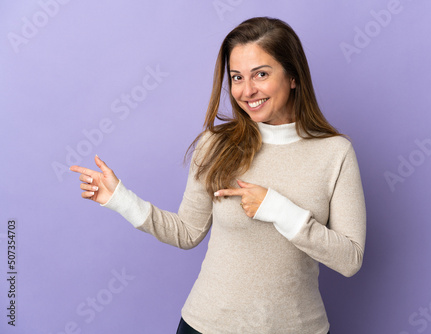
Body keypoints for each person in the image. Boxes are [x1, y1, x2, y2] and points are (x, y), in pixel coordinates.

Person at [70, 17, 366, 334]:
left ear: (293, 76)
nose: (247, 90)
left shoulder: (335, 153)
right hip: (206, 325)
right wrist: (120, 199)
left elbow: (349, 259)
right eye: (237, 77)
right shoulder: (216, 145)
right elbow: (187, 232)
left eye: (261, 74)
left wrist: (278, 209)